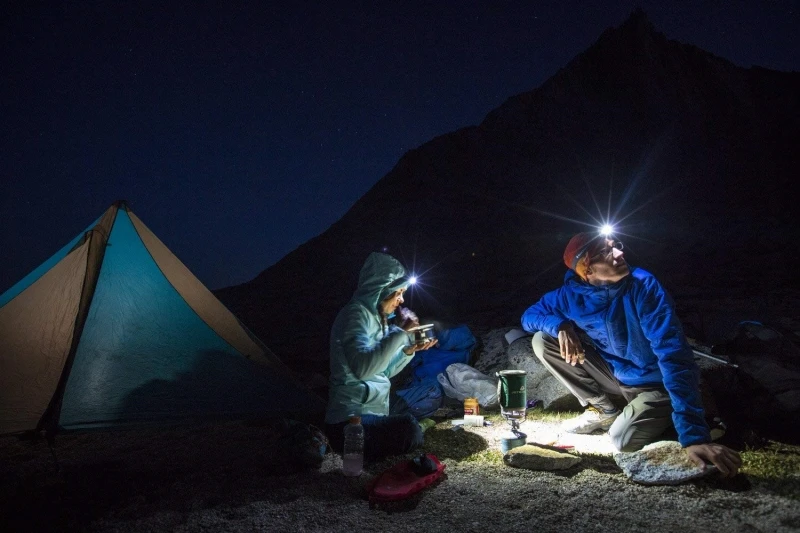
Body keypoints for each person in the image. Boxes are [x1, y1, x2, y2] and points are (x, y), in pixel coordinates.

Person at [521, 232, 741, 477]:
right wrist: (561, 326)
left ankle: (701, 421)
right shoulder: (569, 295)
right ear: (587, 270)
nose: (620, 253)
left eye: (616, 246)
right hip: (618, 376)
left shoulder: (642, 286)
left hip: (656, 384)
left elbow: (674, 355)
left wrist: (693, 437)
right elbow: (529, 316)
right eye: (606, 252)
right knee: (543, 340)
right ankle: (604, 411)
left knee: (622, 440)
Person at [325, 252, 438, 460]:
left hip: (379, 406)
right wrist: (400, 333)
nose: (401, 299)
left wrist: (408, 351)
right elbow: (363, 369)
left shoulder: (379, 318)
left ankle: (398, 424)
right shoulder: (355, 315)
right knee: (408, 429)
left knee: (431, 391)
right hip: (352, 419)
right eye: (399, 293)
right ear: (382, 290)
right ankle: (409, 428)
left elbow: (383, 370)